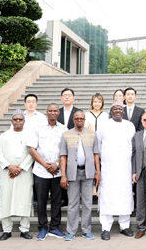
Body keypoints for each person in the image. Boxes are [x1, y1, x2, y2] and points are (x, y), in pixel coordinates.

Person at [96, 101, 136, 240]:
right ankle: (105, 228)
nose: (118, 111)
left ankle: (124, 226)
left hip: (125, 167)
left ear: (123, 112)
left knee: (125, 195)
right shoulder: (104, 125)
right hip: (108, 168)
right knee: (107, 195)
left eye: (120, 109)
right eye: (115, 109)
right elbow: (98, 145)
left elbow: (133, 144)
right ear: (111, 111)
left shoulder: (130, 125)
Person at [60, 111, 100, 241]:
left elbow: (96, 155)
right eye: (77, 118)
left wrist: (98, 172)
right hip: (73, 173)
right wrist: (63, 175)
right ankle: (71, 231)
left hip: (88, 173)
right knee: (73, 204)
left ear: (84, 119)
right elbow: (63, 156)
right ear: (73, 119)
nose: (79, 120)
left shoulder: (92, 134)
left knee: (87, 203)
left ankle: (86, 231)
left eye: (81, 118)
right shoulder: (66, 135)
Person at [28, 104, 65, 241]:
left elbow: (66, 150)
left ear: (58, 112)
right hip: (40, 171)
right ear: (46, 112)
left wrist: (56, 164)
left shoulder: (64, 129)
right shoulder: (37, 128)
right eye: (50, 111)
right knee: (41, 201)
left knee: (57, 201)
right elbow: (32, 149)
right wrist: (45, 164)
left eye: (55, 111)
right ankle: (43, 227)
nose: (52, 113)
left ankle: (54, 227)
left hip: (57, 171)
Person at [0, 112, 34, 240]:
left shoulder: (30, 134)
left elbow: (33, 153)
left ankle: (24, 229)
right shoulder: (4, 136)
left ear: (24, 121)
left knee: (25, 199)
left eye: (20, 119)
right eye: (15, 119)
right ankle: (7, 230)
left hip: (24, 172)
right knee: (5, 199)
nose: (18, 121)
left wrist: (20, 168)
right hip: (7, 173)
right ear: (11, 121)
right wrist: (9, 167)